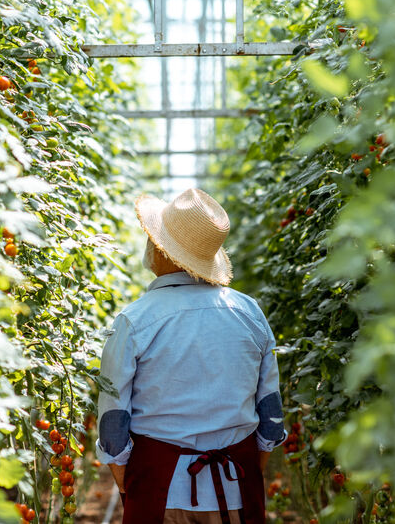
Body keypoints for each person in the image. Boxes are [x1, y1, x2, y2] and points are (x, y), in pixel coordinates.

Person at [95, 188, 286, 524]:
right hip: (235, 489)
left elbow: (113, 419)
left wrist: (131, 483)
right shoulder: (249, 313)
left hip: (159, 492)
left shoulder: (134, 321)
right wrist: (250, 470)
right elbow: (270, 411)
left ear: (160, 249)